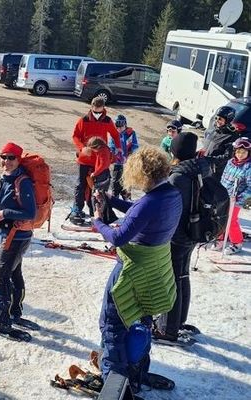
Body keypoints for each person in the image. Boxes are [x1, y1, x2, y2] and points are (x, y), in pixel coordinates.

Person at [93, 147, 182, 393]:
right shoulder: (172, 194)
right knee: (141, 323)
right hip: (154, 271)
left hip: (132, 272)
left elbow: (119, 237)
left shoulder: (150, 202)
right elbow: (139, 211)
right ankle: (137, 371)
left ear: (142, 175)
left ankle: (114, 383)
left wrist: (98, 222)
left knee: (113, 325)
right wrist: (112, 200)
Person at [155, 132, 211, 343]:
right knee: (182, 276)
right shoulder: (200, 168)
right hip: (193, 230)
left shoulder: (178, 176)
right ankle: (178, 321)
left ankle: (167, 329)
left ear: (175, 151)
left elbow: (167, 206)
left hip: (178, 233)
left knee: (171, 280)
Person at [0, 142, 36, 333]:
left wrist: (5, 213)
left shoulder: (22, 181)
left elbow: (30, 212)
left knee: (3, 274)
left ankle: (3, 319)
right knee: (14, 273)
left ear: (18, 159)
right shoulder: (7, 178)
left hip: (16, 236)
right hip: (11, 233)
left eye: (11, 158)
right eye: (3, 157)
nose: (6, 161)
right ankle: (14, 311)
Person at [70, 97, 121, 225]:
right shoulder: (84, 120)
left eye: (99, 112)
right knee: (81, 184)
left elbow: (115, 135)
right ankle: (77, 209)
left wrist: (119, 148)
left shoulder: (108, 121)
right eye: (95, 112)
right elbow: (75, 136)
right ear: (91, 108)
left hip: (100, 160)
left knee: (98, 187)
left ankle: (97, 210)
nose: (97, 115)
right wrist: (82, 148)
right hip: (85, 159)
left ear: (103, 109)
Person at [217, 137, 251, 255]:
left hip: (236, 198)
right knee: (220, 217)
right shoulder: (230, 162)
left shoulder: (248, 167)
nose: (240, 155)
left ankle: (237, 243)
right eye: (238, 152)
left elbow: (250, 187)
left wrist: (239, 197)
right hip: (224, 196)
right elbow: (223, 178)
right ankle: (221, 238)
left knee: (231, 220)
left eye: (244, 152)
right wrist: (220, 191)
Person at [202, 106, 241, 180]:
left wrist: (211, 160)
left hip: (215, 171)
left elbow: (228, 156)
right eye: (216, 118)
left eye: (220, 119)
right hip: (203, 166)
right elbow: (207, 146)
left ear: (227, 120)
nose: (217, 121)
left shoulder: (232, 136)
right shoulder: (214, 131)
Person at [109, 115, 139, 199]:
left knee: (127, 180)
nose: (119, 129)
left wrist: (132, 153)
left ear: (125, 125)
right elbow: (111, 145)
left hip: (128, 161)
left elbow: (135, 145)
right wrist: (113, 152)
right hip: (118, 161)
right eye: (117, 127)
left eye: (121, 126)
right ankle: (115, 196)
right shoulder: (114, 133)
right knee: (116, 179)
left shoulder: (131, 133)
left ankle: (126, 196)